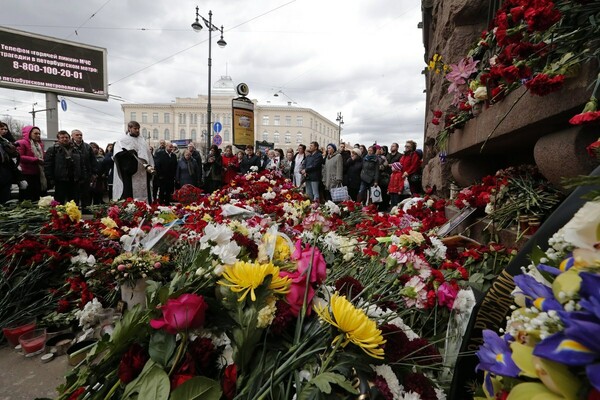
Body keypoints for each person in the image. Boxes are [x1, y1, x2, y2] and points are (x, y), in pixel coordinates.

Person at [112, 121, 154, 202]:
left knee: (145, 193)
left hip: (143, 173)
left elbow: (149, 156)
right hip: (130, 173)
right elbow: (117, 155)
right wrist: (128, 154)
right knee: (129, 196)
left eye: (138, 129)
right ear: (129, 128)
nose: (137, 130)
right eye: (135, 128)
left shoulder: (142, 141)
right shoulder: (122, 140)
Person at [45, 131, 83, 204]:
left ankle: (73, 214)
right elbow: (48, 165)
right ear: (58, 139)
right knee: (59, 201)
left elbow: (81, 164)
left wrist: (81, 176)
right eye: (62, 137)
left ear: (69, 138)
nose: (65, 139)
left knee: (74, 201)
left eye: (66, 137)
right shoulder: (53, 149)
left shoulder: (76, 149)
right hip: (60, 180)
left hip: (74, 179)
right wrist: (50, 178)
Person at [16, 125, 46, 201]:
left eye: (39, 134)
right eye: (35, 133)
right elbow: (20, 157)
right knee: (27, 197)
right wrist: (36, 160)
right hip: (26, 174)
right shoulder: (21, 143)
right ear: (29, 133)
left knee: (37, 196)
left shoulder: (40, 144)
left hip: (38, 173)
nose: (38, 135)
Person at [71, 129, 97, 211]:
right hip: (73, 175)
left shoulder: (87, 147)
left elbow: (93, 161)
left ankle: (86, 208)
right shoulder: (69, 146)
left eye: (80, 135)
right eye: (77, 135)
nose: (79, 136)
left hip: (86, 174)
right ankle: (74, 210)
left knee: (86, 193)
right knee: (74, 194)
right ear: (72, 136)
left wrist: (94, 173)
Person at [0, 122, 22, 204]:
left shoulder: (6, 141)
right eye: (2, 129)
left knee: (5, 199)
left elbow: (13, 160)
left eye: (5, 129)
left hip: (6, 173)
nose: (4, 131)